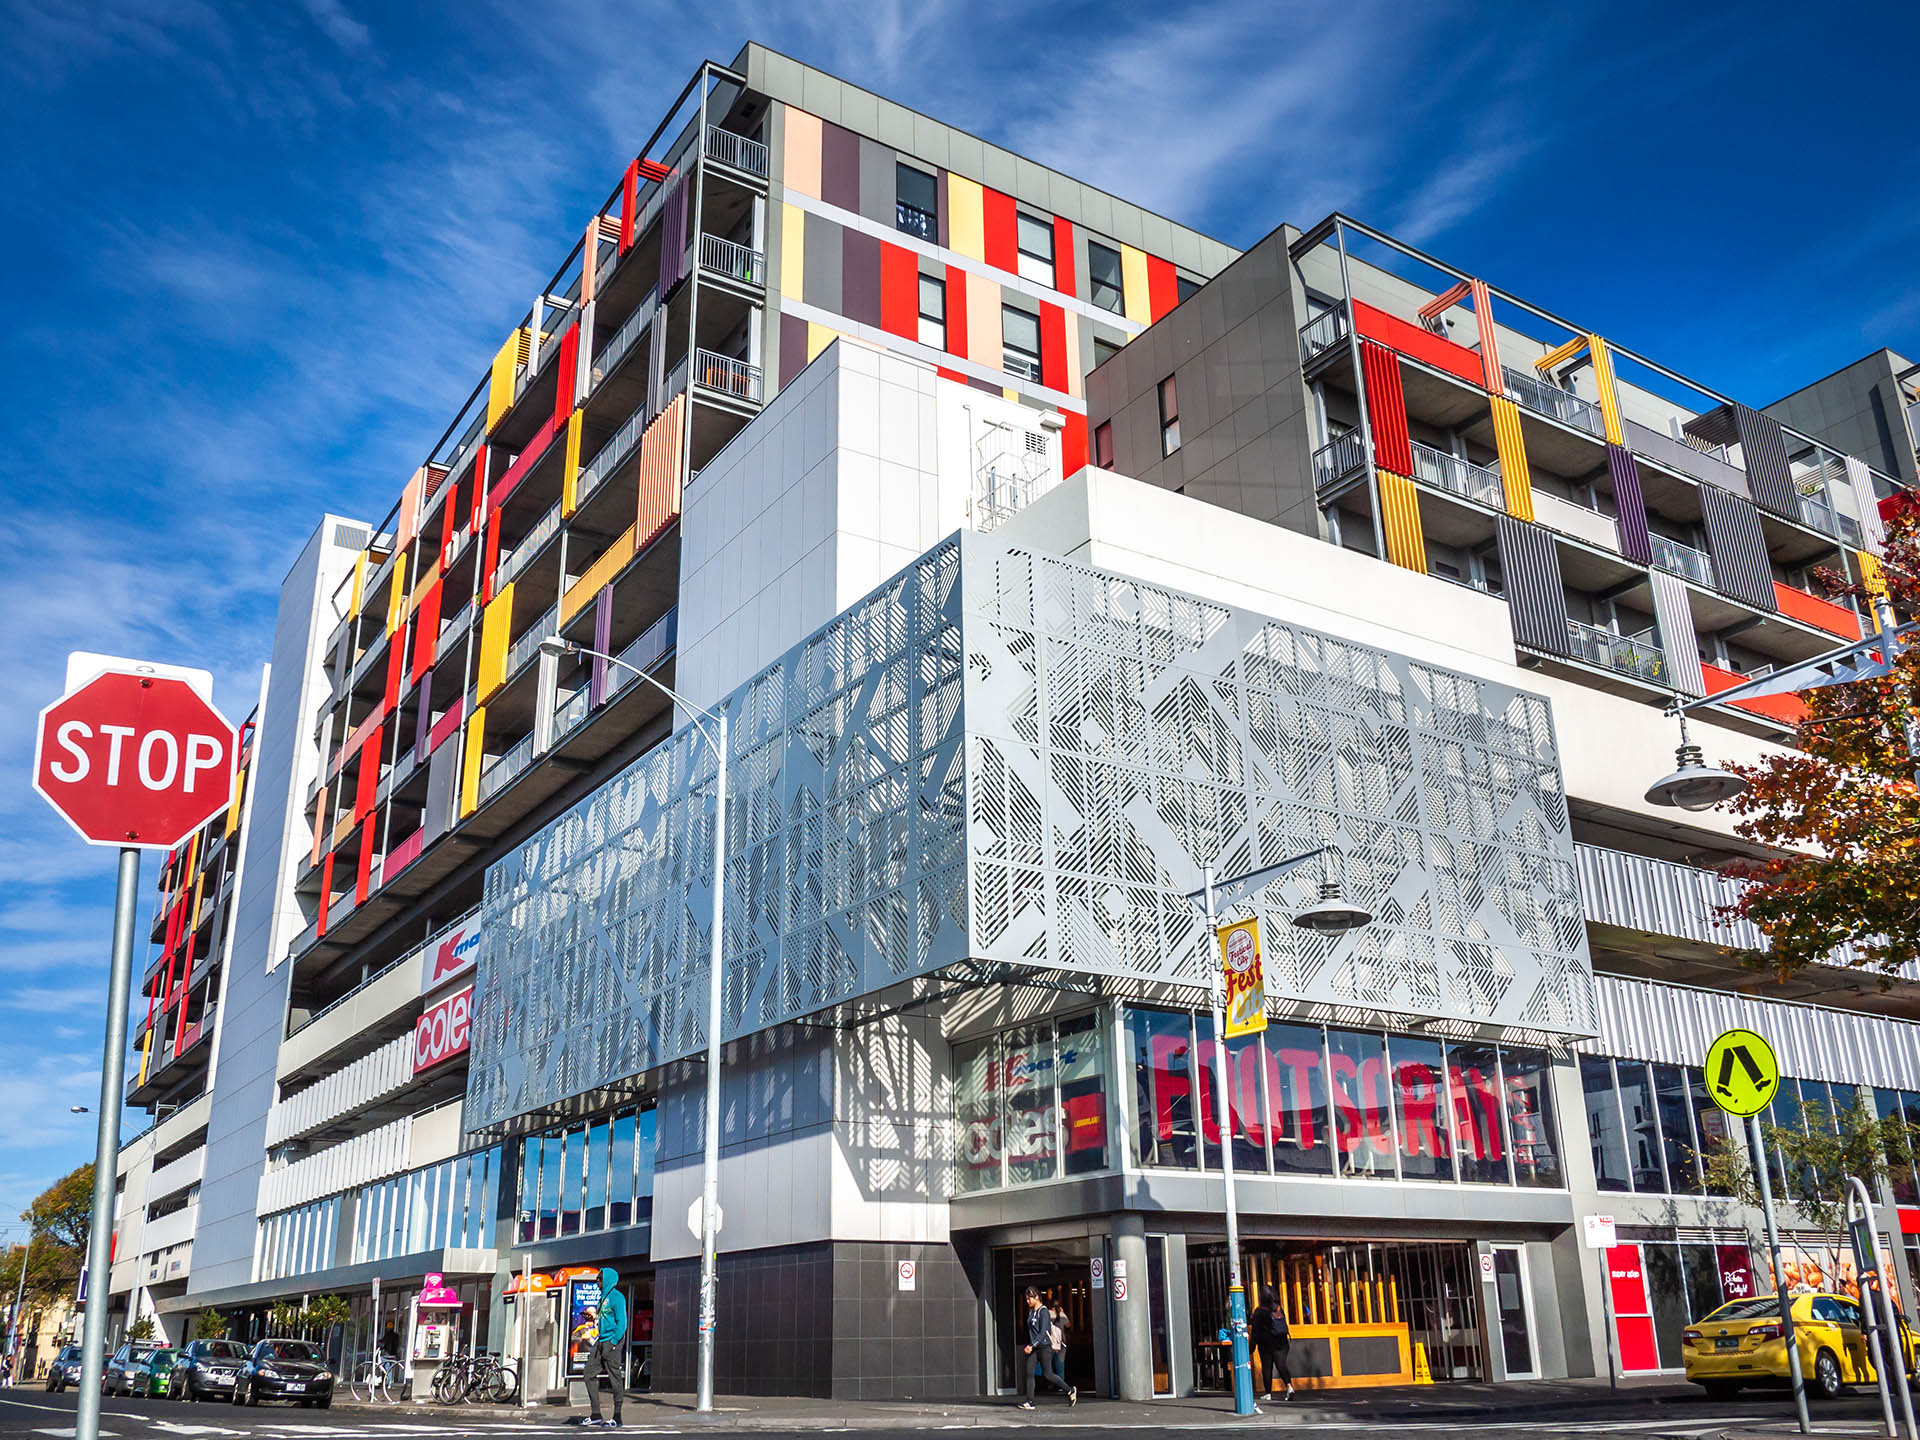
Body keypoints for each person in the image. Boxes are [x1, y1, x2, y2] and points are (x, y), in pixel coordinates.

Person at [580, 1268, 628, 1429]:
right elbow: (605, 1318)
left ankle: (617, 1417)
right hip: (601, 1341)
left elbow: (622, 1322)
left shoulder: (617, 1297)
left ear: (607, 1279)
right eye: (597, 1279)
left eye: (600, 1279)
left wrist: (614, 1341)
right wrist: (593, 1318)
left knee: (615, 1378)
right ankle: (595, 1414)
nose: (597, 1282)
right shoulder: (603, 1298)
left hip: (611, 1342)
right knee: (588, 1373)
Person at [1018, 1288, 1076, 1410]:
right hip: (1034, 1348)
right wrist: (1031, 1345)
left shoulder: (1043, 1311)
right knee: (1029, 1373)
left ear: (1037, 1297)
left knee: (1048, 1374)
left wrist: (1032, 1345)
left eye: (1030, 1298)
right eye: (1027, 1298)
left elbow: (1044, 1331)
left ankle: (1070, 1390)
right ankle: (1030, 1401)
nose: (1027, 1301)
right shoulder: (1031, 1312)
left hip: (1044, 1347)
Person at [1251, 1296, 1292, 1402]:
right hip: (1282, 1342)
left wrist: (1251, 1347)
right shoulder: (1278, 1309)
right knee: (1281, 1365)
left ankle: (1268, 1392)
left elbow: (1255, 1331)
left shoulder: (1259, 1311)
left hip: (1266, 1344)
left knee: (1267, 1368)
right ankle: (1289, 1386)